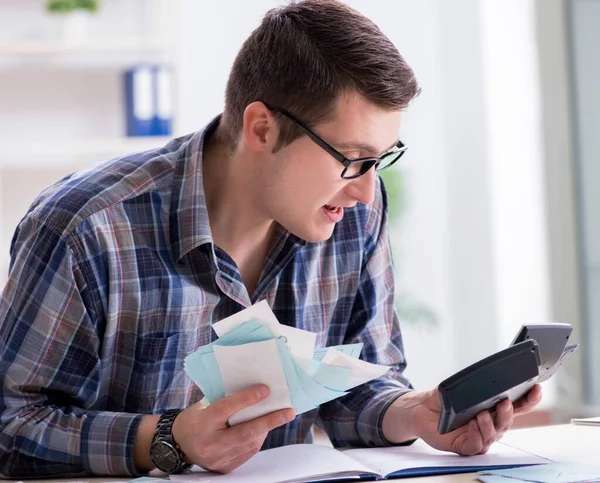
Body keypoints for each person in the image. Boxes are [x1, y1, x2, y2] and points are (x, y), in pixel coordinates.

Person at [0, 0, 542, 478]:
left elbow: (355, 393)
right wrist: (168, 439)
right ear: (261, 128)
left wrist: (416, 415)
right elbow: (11, 425)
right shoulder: (87, 229)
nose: (366, 193)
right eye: (353, 159)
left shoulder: (349, 220)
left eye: (382, 159)